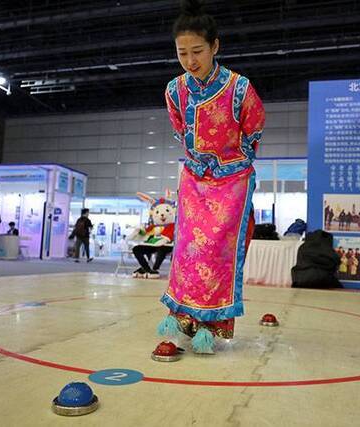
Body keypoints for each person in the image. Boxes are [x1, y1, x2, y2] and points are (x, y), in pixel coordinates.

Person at [156, 0, 265, 354]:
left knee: (219, 252)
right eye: (182, 53)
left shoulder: (239, 88)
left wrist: (232, 163)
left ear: (215, 46)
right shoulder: (175, 90)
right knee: (187, 250)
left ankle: (211, 323)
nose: (190, 60)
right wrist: (200, 164)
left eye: (197, 51)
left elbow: (254, 128)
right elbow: (179, 129)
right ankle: (184, 317)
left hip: (231, 183)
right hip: (192, 181)